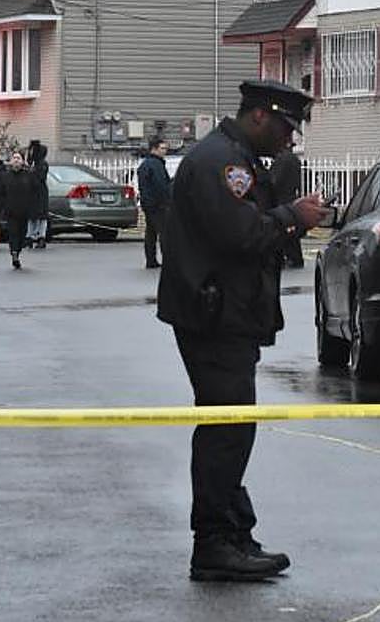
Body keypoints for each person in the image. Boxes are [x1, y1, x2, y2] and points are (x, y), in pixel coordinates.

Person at [157, 79, 329, 582]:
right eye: (285, 127)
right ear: (260, 116)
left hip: (227, 315)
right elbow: (242, 234)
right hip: (214, 318)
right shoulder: (221, 164)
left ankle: (232, 531)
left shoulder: (237, 159)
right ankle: (213, 543)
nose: (290, 139)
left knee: (233, 426)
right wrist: (291, 217)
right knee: (225, 430)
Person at [137, 136, 172, 269]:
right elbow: (161, 186)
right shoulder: (156, 165)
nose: (165, 151)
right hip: (158, 205)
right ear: (154, 149)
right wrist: (167, 201)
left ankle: (151, 260)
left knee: (151, 233)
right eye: (162, 148)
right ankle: (168, 261)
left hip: (148, 204)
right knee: (164, 233)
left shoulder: (145, 164)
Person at [269, 144, 304, 268]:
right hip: (291, 197)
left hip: (281, 199)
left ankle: (285, 258)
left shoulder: (282, 160)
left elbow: (274, 181)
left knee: (282, 229)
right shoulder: (295, 160)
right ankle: (295, 258)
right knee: (291, 231)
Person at [3, 151, 34, 269]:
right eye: (14, 158)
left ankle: (18, 250)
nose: (16, 160)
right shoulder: (6, 175)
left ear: (22, 161)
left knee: (22, 234)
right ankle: (14, 254)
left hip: (25, 210)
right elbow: (1, 192)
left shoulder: (28, 175)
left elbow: (34, 190)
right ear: (11, 161)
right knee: (13, 233)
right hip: (11, 210)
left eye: (18, 158)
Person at [25, 140, 50, 249]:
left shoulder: (42, 164)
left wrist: (30, 173)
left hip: (40, 193)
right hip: (31, 193)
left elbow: (38, 179)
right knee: (31, 216)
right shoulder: (32, 164)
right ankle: (29, 236)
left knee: (41, 216)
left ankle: (41, 237)